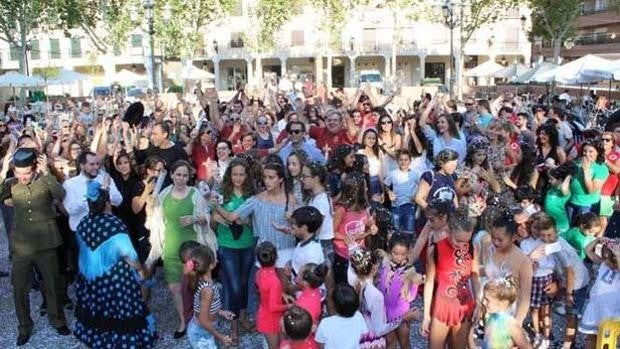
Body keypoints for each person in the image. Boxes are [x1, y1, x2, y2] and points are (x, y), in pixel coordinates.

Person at [0, 148, 71, 346]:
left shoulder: (44, 181)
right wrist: (3, 169)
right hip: (21, 246)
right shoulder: (10, 184)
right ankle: (24, 327)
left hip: (47, 243)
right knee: (19, 288)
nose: (23, 177)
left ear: (34, 169)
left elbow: (61, 193)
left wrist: (47, 173)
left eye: (27, 173)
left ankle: (57, 320)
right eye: (19, 173)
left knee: (52, 283)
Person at [73, 181, 156, 348]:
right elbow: (128, 254)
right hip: (115, 279)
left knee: (99, 311)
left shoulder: (83, 223)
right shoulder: (114, 224)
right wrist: (140, 269)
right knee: (121, 313)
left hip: (90, 279)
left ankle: (100, 340)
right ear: (107, 203)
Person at [145, 160, 216, 338]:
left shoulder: (195, 194)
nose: (181, 178)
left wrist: (195, 219)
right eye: (178, 174)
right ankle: (183, 320)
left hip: (192, 250)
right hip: (170, 248)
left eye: (185, 175)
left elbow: (206, 218)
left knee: (195, 287)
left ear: (189, 177)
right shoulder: (164, 195)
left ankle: (199, 318)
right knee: (175, 288)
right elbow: (156, 221)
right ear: (172, 175)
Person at [210, 157, 256, 339]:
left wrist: (247, 221)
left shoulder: (252, 194)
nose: (238, 178)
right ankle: (234, 324)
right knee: (233, 285)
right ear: (230, 175)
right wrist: (217, 217)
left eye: (241, 174)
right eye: (235, 174)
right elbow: (213, 219)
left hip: (247, 244)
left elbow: (256, 223)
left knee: (244, 283)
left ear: (247, 175)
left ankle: (243, 317)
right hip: (227, 244)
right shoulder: (222, 192)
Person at [421, 211, 478, 349]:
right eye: (458, 240)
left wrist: (479, 303)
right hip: (442, 305)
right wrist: (426, 315)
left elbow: (474, 276)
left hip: (464, 306)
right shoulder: (435, 250)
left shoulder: (471, 248)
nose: (461, 245)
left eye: (466, 240)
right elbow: (429, 283)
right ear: (449, 230)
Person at [377, 234, 424, 349]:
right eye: (395, 253)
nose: (399, 257)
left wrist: (415, 285)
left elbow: (410, 297)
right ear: (390, 251)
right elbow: (380, 286)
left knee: (405, 343)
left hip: (402, 314)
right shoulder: (386, 265)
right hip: (386, 313)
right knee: (390, 342)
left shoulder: (409, 272)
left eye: (403, 254)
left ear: (408, 253)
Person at [186, 245, 235, 348]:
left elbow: (205, 307)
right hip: (201, 332)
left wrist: (221, 312)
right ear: (211, 265)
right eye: (215, 258)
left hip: (204, 329)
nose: (217, 260)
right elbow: (203, 320)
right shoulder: (207, 290)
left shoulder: (202, 280)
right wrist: (220, 337)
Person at [332, 172, 378, 283]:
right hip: (344, 256)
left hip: (360, 255)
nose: (367, 189)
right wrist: (347, 238)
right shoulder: (341, 210)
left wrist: (373, 226)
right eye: (365, 187)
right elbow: (332, 232)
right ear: (358, 191)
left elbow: (368, 222)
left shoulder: (364, 208)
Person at [63, 151, 123, 232]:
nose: (96, 167)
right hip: (83, 231)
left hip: (104, 227)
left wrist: (106, 190)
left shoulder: (105, 179)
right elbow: (71, 209)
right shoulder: (70, 184)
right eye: (92, 164)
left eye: (97, 164)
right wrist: (93, 197)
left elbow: (118, 200)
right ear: (82, 166)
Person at [578, 237, 620, 349]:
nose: (606, 260)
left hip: (610, 311)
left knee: (607, 339)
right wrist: (599, 240)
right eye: (604, 257)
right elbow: (587, 250)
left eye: (610, 258)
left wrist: (617, 254)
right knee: (591, 337)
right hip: (596, 307)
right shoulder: (603, 264)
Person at [470, 278, 532, 349]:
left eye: (487, 300)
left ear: (502, 303)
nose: (483, 302)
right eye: (484, 298)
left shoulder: (510, 324)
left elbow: (526, 346)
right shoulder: (489, 318)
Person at [256, 241, 289, 349]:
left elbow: (265, 291)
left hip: (264, 313)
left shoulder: (259, 272)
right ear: (276, 257)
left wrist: (281, 293)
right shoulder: (274, 281)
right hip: (271, 319)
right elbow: (273, 307)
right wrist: (289, 306)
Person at [315, 283, 368, 349]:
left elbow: (320, 345)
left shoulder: (325, 323)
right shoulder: (359, 316)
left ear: (334, 304)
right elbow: (364, 335)